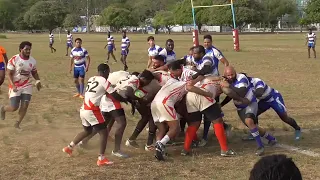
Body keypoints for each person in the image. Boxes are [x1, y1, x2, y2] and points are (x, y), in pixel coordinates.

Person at [62, 63, 127, 166]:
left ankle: (69, 147)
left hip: (83, 109)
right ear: (105, 71)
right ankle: (101, 158)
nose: (108, 75)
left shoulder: (92, 78)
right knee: (104, 132)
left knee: (87, 131)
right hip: (92, 110)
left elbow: (98, 91)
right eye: (108, 72)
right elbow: (114, 95)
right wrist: (126, 99)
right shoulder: (104, 80)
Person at [151, 68, 214, 161]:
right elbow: (190, 86)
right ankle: (161, 144)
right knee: (175, 128)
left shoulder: (170, 81)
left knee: (162, 129)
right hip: (165, 103)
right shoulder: (183, 84)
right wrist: (206, 93)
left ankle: (158, 149)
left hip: (154, 104)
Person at [221, 66, 277, 156]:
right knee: (253, 127)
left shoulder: (241, 78)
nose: (230, 76)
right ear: (225, 75)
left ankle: (260, 147)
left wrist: (229, 86)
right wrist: (221, 104)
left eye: (232, 74)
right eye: (228, 75)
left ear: (235, 73)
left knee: (249, 121)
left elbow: (242, 91)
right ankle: (270, 138)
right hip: (240, 107)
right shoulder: (226, 80)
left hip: (250, 103)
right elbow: (231, 95)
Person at [241, 73, 301, 140]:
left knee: (284, 117)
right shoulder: (243, 85)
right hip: (263, 100)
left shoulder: (257, 81)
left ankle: (297, 129)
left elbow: (259, 92)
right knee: (253, 114)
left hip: (273, 98)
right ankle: (255, 133)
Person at [191, 45, 231, 146]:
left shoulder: (207, 58)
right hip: (205, 86)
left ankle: (205, 137)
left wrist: (195, 75)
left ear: (201, 53)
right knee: (211, 113)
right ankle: (224, 127)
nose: (193, 55)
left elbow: (207, 69)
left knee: (209, 114)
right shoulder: (197, 59)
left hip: (212, 87)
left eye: (195, 53)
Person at [0, 41, 42, 129]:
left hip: (27, 85)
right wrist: (13, 85)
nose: (28, 51)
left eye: (29, 49)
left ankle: (17, 124)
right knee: (14, 107)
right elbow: (9, 74)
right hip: (15, 85)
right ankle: (3, 109)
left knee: (25, 105)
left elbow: (34, 72)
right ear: (21, 49)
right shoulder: (14, 59)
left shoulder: (32, 61)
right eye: (26, 49)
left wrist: (38, 80)